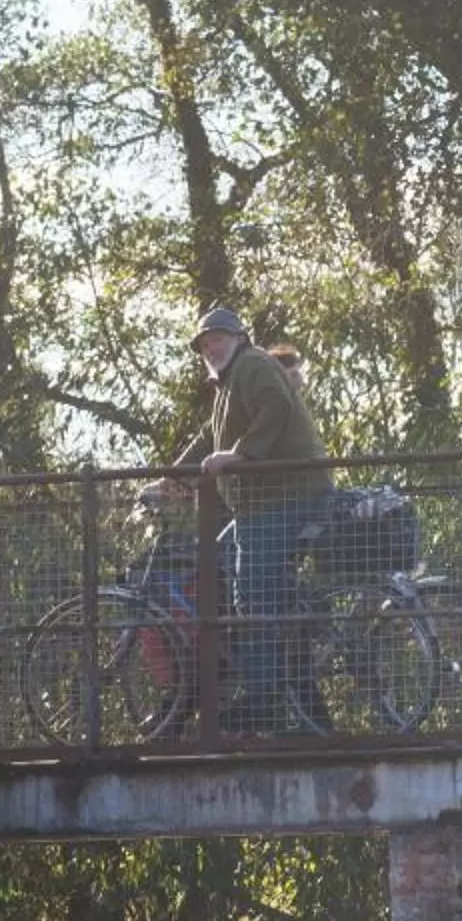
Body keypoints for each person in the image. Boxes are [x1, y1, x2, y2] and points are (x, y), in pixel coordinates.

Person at [173, 307, 332, 728]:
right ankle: (299, 697)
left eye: (218, 339)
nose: (211, 348)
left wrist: (241, 455)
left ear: (239, 337)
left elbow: (276, 407)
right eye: (205, 345)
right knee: (221, 565)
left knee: (253, 598)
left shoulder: (253, 364)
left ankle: (264, 700)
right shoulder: (227, 386)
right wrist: (170, 479)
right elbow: (209, 438)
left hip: (282, 498)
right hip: (260, 505)